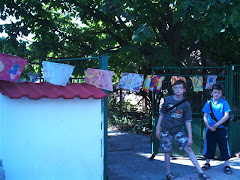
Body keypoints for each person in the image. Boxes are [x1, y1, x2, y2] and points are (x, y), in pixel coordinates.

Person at [156, 80, 210, 180]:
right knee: (167, 151)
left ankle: (201, 172)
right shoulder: (167, 100)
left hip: (178, 130)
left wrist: (190, 136)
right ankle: (168, 174)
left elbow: (188, 120)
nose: (177, 89)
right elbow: (161, 114)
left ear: (184, 90)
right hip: (166, 130)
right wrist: (157, 128)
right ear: (173, 89)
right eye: (176, 87)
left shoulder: (186, 104)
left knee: (188, 148)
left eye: (180, 88)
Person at [201, 83, 232, 174]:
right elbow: (205, 116)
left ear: (221, 94)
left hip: (221, 129)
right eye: (215, 92)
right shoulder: (208, 103)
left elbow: (226, 116)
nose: (217, 94)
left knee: (223, 145)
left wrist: (216, 125)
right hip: (210, 129)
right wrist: (208, 126)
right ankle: (207, 163)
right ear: (212, 93)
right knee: (210, 145)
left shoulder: (224, 103)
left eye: (219, 92)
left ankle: (226, 164)